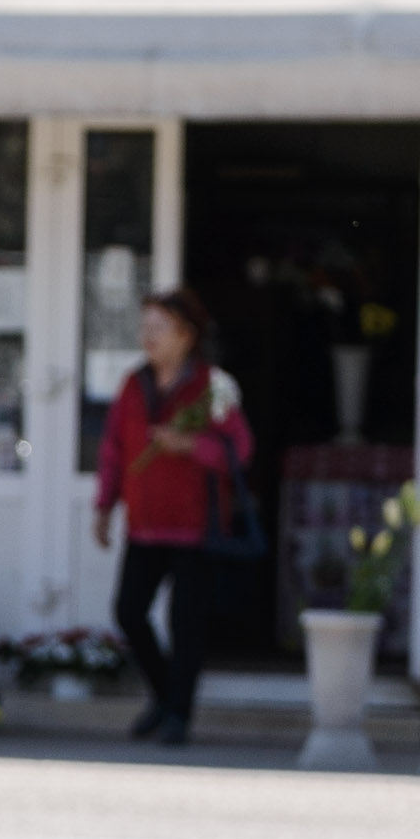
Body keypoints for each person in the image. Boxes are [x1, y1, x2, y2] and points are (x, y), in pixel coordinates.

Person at [92, 287, 255, 748]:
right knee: (128, 612)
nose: (148, 336)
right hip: (144, 523)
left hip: (195, 528)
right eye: (144, 327)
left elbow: (240, 450)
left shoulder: (211, 386)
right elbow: (113, 450)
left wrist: (191, 447)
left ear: (186, 335)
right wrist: (105, 505)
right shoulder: (133, 384)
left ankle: (178, 715)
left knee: (187, 626)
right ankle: (165, 695)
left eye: (157, 328)